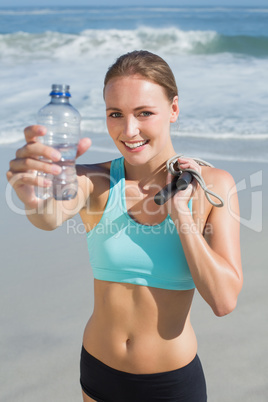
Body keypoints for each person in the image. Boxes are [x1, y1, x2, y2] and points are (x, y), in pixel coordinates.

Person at [7, 50, 243, 402]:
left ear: (173, 110)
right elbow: (49, 218)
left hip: (170, 385)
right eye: (115, 114)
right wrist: (33, 199)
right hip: (99, 373)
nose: (128, 130)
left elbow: (224, 300)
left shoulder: (213, 186)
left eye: (144, 113)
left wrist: (183, 220)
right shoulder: (95, 180)